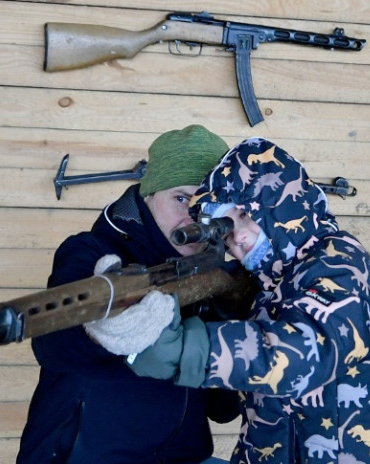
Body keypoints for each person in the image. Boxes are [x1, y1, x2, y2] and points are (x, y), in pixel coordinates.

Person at [127, 138, 370, 463]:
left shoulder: (340, 264)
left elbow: (300, 355)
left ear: (279, 204)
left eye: (244, 214)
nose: (238, 236)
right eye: (226, 229)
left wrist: (190, 350)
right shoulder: (270, 283)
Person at [16, 125, 239, 463]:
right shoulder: (90, 252)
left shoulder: (217, 269)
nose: (193, 218)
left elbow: (224, 410)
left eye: (207, 204)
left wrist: (229, 322)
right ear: (149, 195)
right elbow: (52, 345)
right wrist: (97, 332)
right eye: (181, 199)